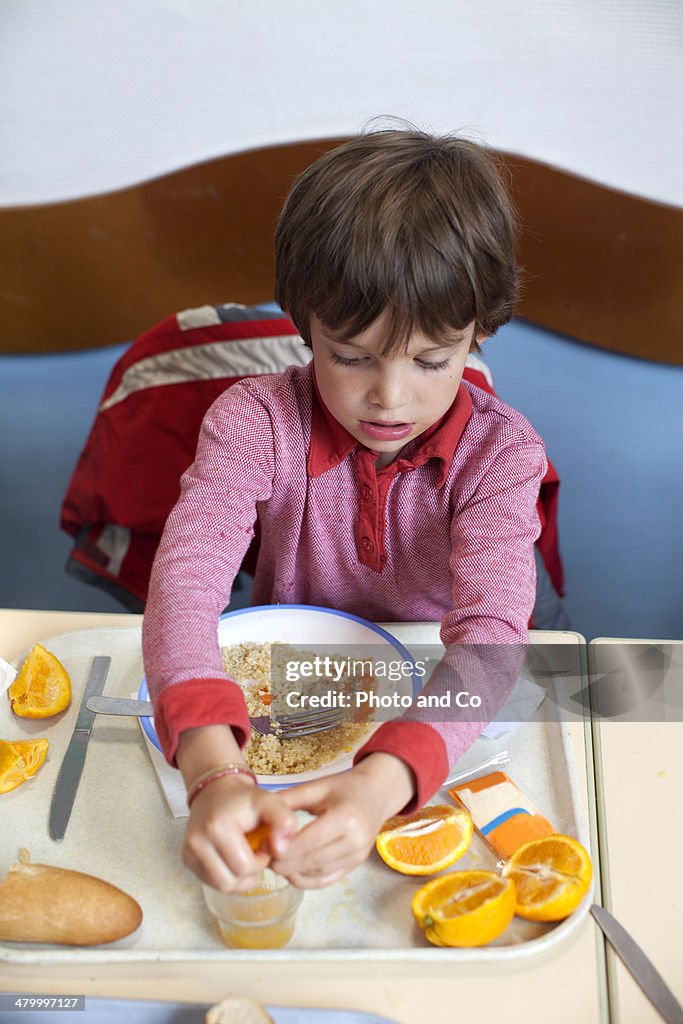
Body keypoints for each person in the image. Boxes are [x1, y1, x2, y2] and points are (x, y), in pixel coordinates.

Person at [142, 127, 548, 893]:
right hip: (289, 698)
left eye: (430, 360)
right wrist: (210, 772)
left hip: (441, 698)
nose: (388, 397)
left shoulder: (503, 454)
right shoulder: (252, 420)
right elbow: (187, 585)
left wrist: (385, 782)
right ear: (305, 325)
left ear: (479, 334)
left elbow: (493, 638)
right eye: (351, 355)